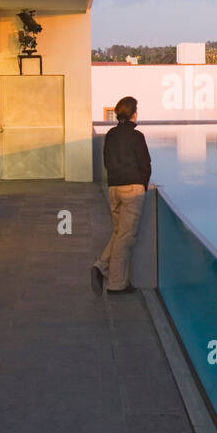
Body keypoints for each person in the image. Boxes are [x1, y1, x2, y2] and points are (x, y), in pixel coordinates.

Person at [92, 96, 151, 295]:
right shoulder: (137, 136)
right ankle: (115, 284)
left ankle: (101, 267)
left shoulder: (111, 134)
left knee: (119, 233)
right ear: (133, 113)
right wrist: (142, 186)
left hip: (114, 188)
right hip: (132, 190)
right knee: (126, 237)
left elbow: (107, 162)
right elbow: (145, 165)